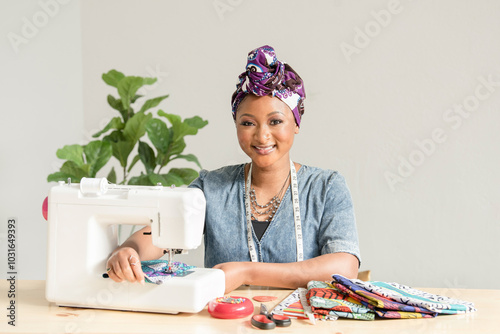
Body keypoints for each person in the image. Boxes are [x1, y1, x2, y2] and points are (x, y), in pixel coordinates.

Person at [106, 45, 361, 293]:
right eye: (248, 122)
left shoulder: (326, 187)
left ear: (296, 123)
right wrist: (129, 251)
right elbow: (158, 233)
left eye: (275, 121)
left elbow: (344, 267)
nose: (262, 136)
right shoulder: (210, 187)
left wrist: (247, 272)